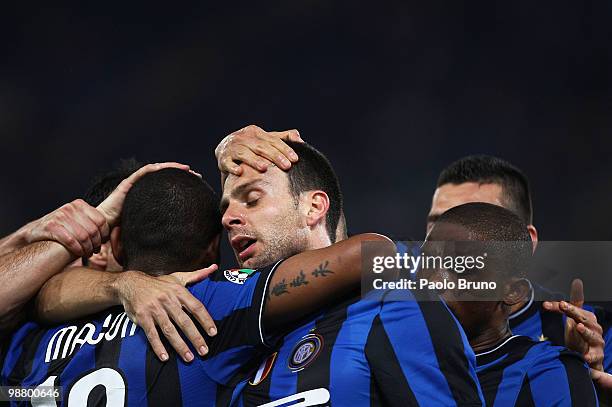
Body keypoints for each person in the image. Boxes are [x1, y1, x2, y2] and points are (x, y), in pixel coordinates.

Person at [2, 165, 391, 406]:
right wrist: (446, 258)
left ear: (116, 242)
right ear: (212, 250)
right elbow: (368, 254)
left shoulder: (33, 331)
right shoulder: (209, 304)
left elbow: (17, 394)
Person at [426, 202, 598, 406]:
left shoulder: (549, 374)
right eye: (427, 263)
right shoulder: (398, 360)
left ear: (513, 291)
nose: (433, 281)